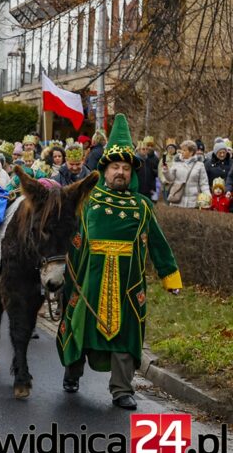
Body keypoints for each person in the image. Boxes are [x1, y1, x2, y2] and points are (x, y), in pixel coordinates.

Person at [57, 114, 182, 410]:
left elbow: (158, 244)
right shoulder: (87, 201)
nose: (121, 173)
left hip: (129, 286)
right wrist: (62, 271)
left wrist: (170, 277)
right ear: (105, 169)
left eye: (126, 168)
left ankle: (122, 389)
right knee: (81, 328)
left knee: (126, 337)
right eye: (115, 167)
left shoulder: (142, 207)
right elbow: (70, 237)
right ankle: (73, 372)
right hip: (88, 282)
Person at [163, 140, 210, 208]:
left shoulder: (200, 165)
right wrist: (166, 171)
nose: (182, 152)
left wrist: (208, 196)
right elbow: (170, 179)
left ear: (191, 152)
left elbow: (204, 183)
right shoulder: (176, 163)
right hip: (177, 201)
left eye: (184, 150)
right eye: (182, 150)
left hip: (193, 202)